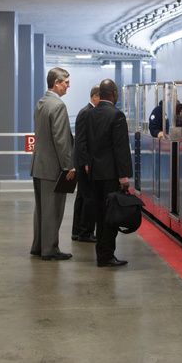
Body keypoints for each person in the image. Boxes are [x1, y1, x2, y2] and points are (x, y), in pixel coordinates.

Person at [29, 67, 76, 261]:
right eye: (66, 82)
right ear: (56, 83)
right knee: (53, 210)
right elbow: (61, 139)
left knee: (41, 208)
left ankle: (39, 245)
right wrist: (68, 166)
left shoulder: (41, 102)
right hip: (53, 168)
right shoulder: (58, 106)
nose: (68, 86)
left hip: (39, 165)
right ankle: (50, 249)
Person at [87, 78, 132, 268]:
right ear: (114, 94)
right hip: (111, 175)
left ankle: (101, 254)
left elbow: (86, 143)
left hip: (94, 174)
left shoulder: (90, 114)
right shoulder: (117, 116)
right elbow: (120, 148)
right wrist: (124, 177)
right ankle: (107, 256)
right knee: (111, 217)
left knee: (99, 214)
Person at [71, 85, 100, 243]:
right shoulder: (87, 113)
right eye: (100, 98)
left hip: (82, 162)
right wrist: (86, 162)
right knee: (89, 198)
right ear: (94, 96)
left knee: (82, 197)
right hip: (84, 163)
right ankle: (85, 232)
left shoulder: (86, 112)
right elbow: (81, 141)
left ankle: (77, 231)